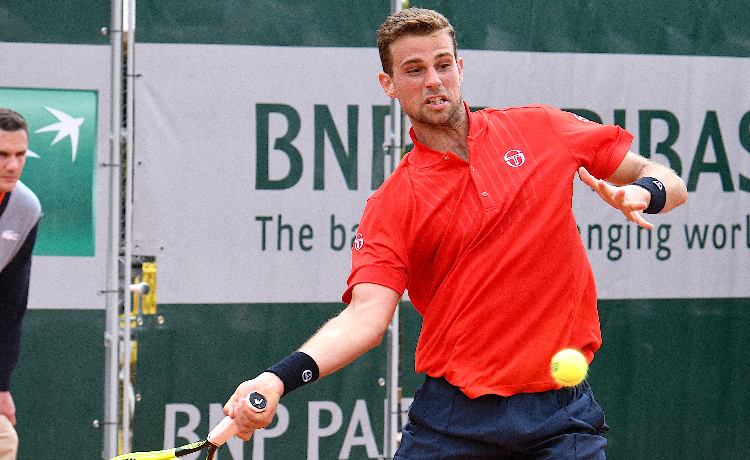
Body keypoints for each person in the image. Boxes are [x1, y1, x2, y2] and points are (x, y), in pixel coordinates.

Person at [223, 8, 688, 459]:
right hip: (454, 420)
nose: (433, 80)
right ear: (388, 84)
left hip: (562, 416)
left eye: (443, 64)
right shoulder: (393, 203)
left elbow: (670, 180)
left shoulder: (541, 127)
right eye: (413, 69)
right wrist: (278, 379)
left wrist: (644, 192)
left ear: (459, 69)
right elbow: (366, 318)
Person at [0, 108, 41, 460]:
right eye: (2, 155)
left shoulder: (26, 208)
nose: (12, 165)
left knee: (3, 443)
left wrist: (1, 387)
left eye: (19, 155)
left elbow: (10, 305)